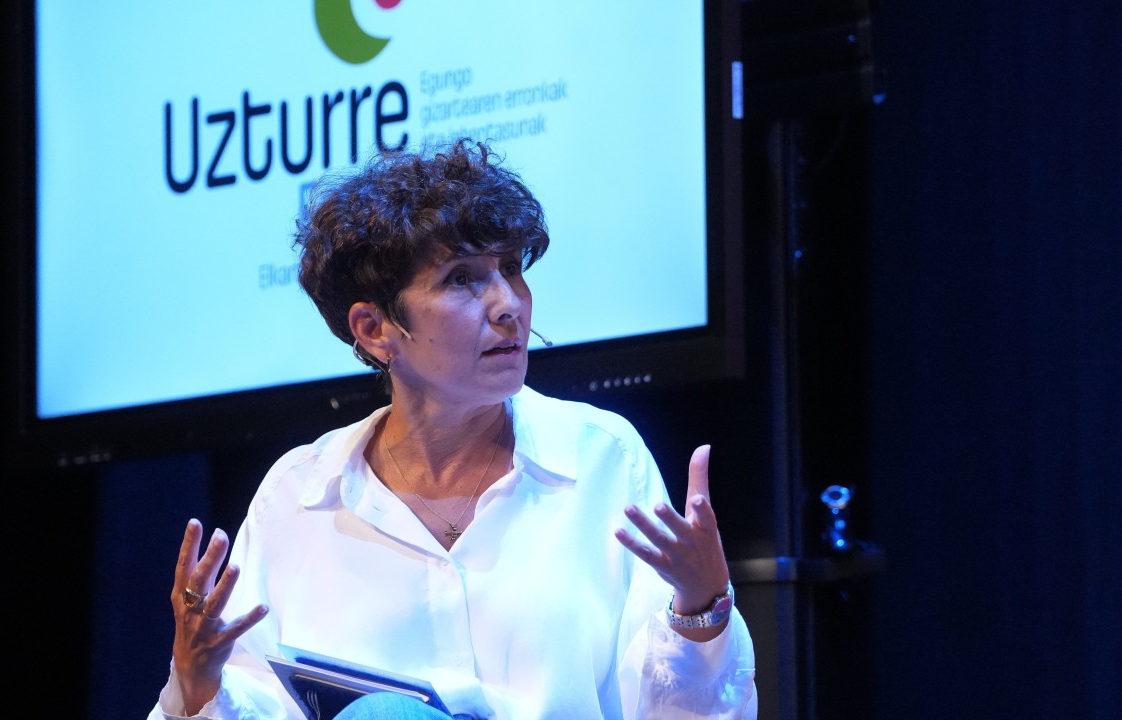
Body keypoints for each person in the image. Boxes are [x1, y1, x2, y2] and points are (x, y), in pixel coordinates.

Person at [148, 140, 757, 720]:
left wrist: (702, 607)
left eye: (511, 269)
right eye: (462, 278)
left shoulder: (601, 458)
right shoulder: (299, 497)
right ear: (375, 329)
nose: (508, 304)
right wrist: (195, 680)